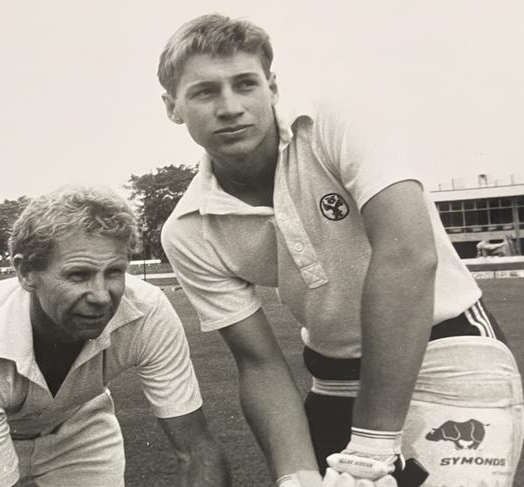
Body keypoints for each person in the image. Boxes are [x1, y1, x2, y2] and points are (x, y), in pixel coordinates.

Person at [158, 13, 524, 487]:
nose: (230, 107)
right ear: (172, 107)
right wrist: (295, 476)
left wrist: (373, 445)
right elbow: (260, 362)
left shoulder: (335, 121)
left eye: (245, 84)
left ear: (271, 87)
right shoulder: (188, 230)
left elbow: (408, 257)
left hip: (447, 343)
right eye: (204, 92)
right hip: (332, 376)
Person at [0, 185, 231, 487]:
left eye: (114, 272)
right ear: (26, 273)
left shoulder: (147, 313)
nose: (101, 297)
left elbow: (195, 449)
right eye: (78, 274)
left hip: (79, 427)